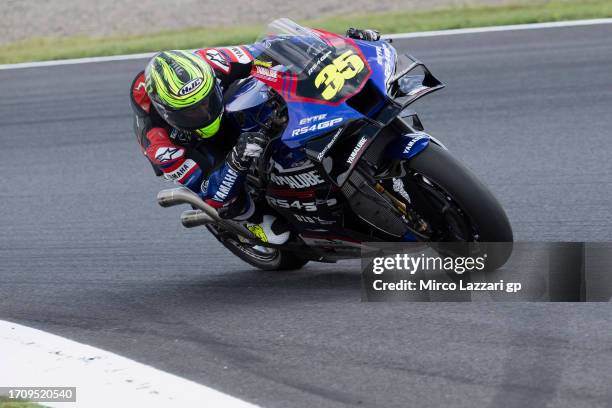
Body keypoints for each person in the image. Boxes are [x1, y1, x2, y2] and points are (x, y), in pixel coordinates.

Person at [129, 28, 380, 244]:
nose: (204, 111)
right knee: (229, 205)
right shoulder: (160, 144)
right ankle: (249, 221)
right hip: (193, 145)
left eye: (207, 101)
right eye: (192, 112)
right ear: (167, 113)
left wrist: (343, 45)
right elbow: (210, 190)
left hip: (223, 100)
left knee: (266, 84)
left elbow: (271, 47)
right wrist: (236, 160)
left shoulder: (213, 62)